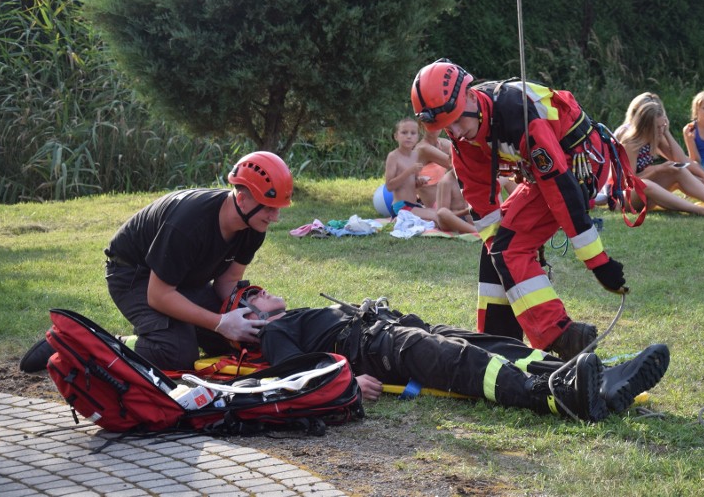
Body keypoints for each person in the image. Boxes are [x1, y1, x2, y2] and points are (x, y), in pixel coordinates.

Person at [410, 59, 639, 360]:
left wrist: (598, 263)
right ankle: (498, 344)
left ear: (468, 95)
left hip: (579, 164)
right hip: (543, 173)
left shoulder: (517, 114)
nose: (454, 131)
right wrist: (498, 249)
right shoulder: (462, 135)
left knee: (508, 249)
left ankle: (564, 337)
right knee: (497, 251)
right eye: (444, 127)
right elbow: (480, 198)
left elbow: (562, 189)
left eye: (455, 120)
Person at [19, 151, 294, 373]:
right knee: (177, 353)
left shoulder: (253, 227)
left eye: (279, 209)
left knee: (235, 342)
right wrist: (220, 321)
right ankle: (84, 342)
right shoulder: (189, 224)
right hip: (134, 275)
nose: (275, 218)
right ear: (242, 199)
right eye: (269, 208)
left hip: (183, 280)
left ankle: (161, 332)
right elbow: (159, 295)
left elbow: (227, 281)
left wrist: (249, 313)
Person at [240, 289, 670, 422]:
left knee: (498, 346)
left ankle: (597, 378)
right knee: (462, 362)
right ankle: (554, 395)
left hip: (402, 327)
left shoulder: (294, 315)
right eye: (252, 296)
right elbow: (289, 375)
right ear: (251, 317)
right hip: (381, 349)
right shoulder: (276, 330)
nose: (263, 292)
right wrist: (346, 382)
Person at [614, 93, 704, 217]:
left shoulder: (654, 136)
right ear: (645, 126)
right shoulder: (631, 143)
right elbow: (629, 181)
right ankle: (703, 211)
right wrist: (658, 169)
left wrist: (667, 133)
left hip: (648, 195)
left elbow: (680, 159)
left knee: (679, 170)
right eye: (657, 127)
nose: (660, 131)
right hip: (626, 198)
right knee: (646, 184)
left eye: (662, 126)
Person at [385, 117, 477, 234]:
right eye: (404, 133)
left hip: (440, 201)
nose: (434, 127)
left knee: (498, 179)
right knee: (457, 184)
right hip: (420, 205)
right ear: (422, 126)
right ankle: (476, 231)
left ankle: (489, 220)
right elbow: (454, 163)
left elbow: (463, 160)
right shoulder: (422, 149)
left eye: (437, 123)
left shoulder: (443, 143)